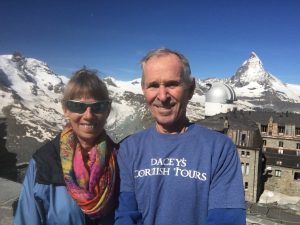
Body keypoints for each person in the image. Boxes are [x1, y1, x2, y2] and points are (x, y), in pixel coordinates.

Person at [115, 48, 246, 225]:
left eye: (171, 84)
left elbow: (227, 219)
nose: (162, 96)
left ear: (190, 89)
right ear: (143, 89)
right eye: (153, 85)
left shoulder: (219, 149)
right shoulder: (128, 149)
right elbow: (124, 215)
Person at [13, 69, 118, 225]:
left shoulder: (121, 158)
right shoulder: (44, 162)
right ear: (66, 110)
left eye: (98, 106)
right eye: (78, 106)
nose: (88, 115)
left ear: (107, 110)